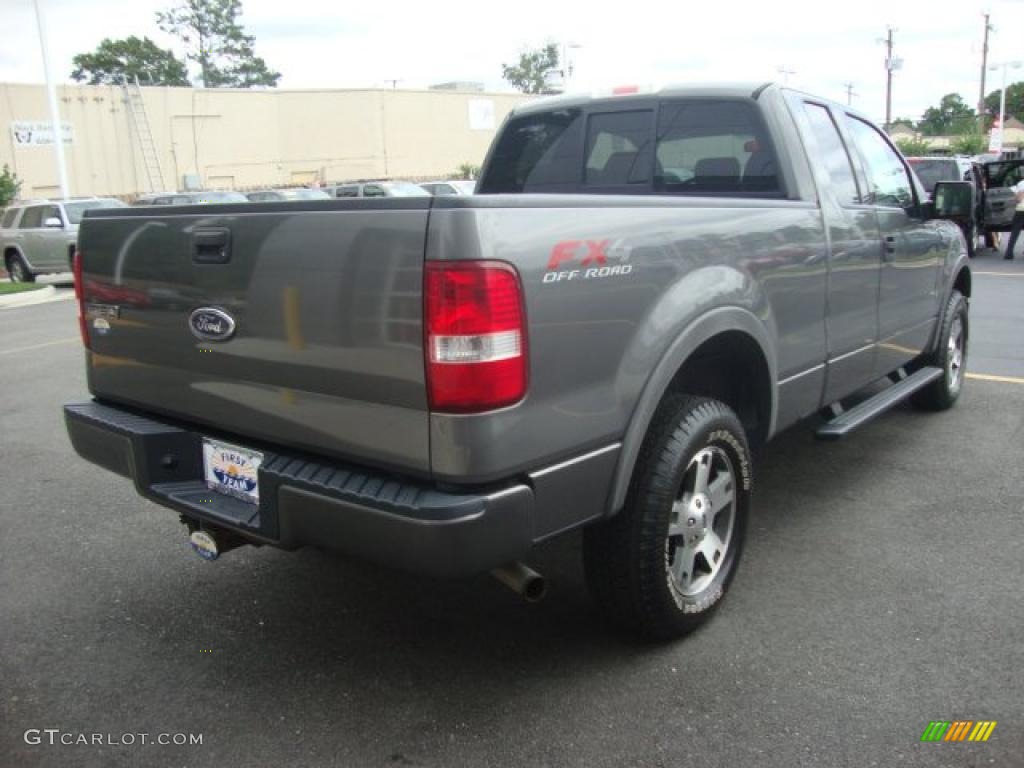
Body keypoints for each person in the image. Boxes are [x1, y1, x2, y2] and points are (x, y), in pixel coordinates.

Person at [1004, 177, 1024, 260]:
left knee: (1015, 233)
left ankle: (1009, 253)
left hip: (1020, 209)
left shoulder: (1021, 183)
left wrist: (1015, 198)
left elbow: (1019, 198)